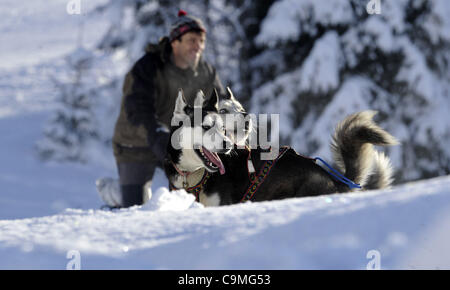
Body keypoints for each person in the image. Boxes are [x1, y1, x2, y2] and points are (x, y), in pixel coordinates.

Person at [98, 9, 224, 208]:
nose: (198, 47)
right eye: (192, 40)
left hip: (176, 142)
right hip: (135, 143)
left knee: (196, 196)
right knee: (134, 209)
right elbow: (138, 109)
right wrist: (157, 134)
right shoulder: (147, 68)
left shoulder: (205, 72)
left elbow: (220, 105)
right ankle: (118, 195)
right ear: (175, 42)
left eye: (201, 41)